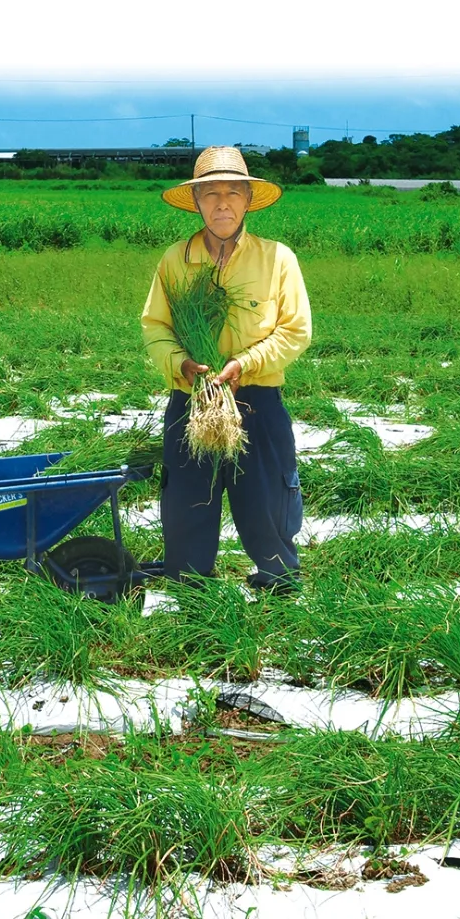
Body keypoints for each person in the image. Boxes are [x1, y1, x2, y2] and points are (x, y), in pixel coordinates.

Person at [139, 146, 313, 592]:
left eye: (233, 193)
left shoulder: (277, 259)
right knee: (187, 501)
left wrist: (244, 363)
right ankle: (190, 586)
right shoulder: (175, 260)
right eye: (211, 193)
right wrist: (182, 364)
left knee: (267, 499)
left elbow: (295, 332)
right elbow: (155, 325)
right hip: (192, 399)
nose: (222, 203)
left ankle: (278, 583)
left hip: (256, 401)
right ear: (195, 201)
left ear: (248, 200)